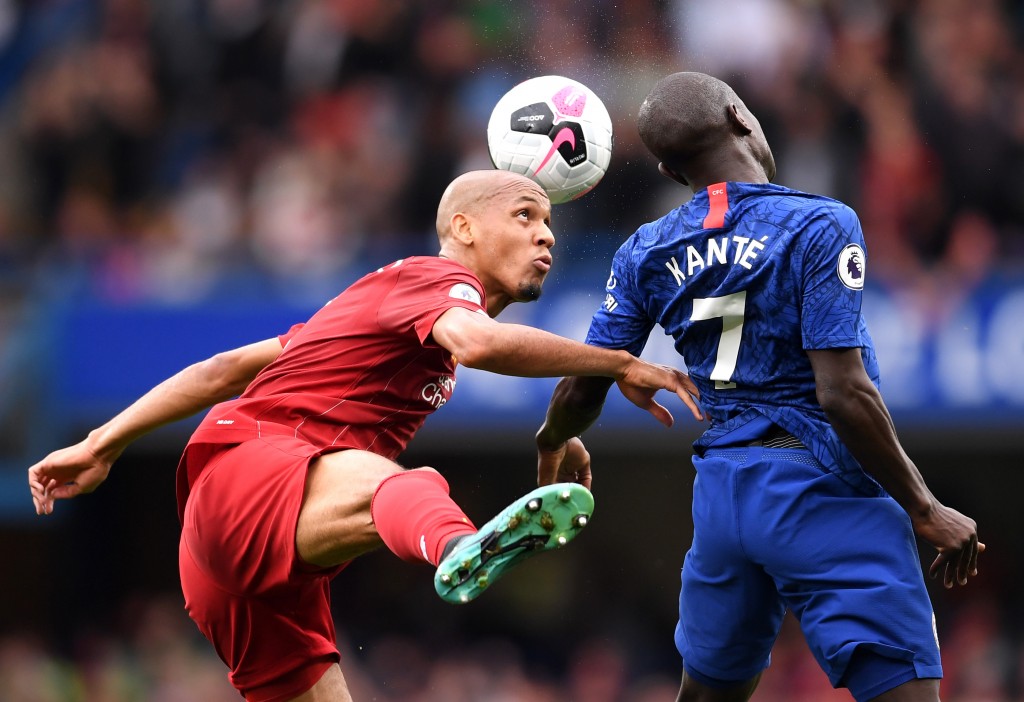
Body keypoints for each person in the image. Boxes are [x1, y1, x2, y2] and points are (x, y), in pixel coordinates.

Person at [28, 169, 702, 702]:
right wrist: (619, 361)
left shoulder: (368, 310)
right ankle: (459, 546)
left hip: (237, 568)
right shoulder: (431, 278)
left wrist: (102, 443)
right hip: (252, 476)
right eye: (524, 216)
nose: (546, 236)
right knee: (409, 484)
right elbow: (477, 343)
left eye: (550, 222)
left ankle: (459, 544)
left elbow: (222, 368)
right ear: (462, 228)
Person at [535, 72, 984, 702]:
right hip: (819, 487)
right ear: (741, 117)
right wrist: (924, 507)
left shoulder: (644, 249)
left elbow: (584, 385)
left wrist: (551, 439)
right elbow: (842, 393)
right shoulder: (818, 225)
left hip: (724, 497)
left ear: (668, 170)